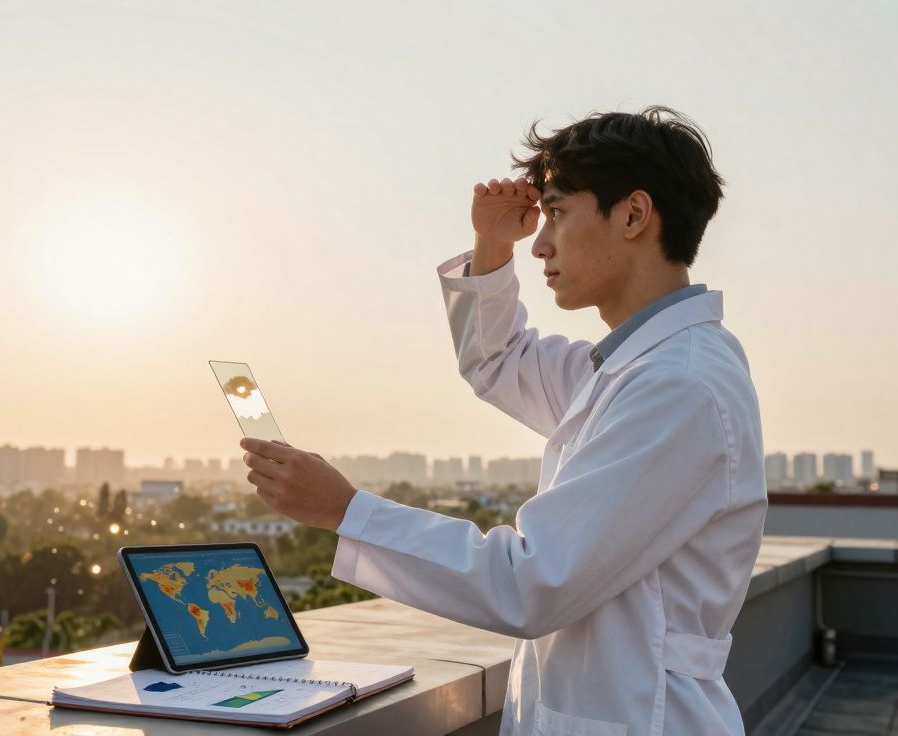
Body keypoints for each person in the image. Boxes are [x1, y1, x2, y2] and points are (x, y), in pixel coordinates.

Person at [240, 106, 766, 736]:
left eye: (559, 213)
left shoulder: (675, 385)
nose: (541, 243)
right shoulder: (631, 369)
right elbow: (498, 360)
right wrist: (493, 244)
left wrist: (347, 511)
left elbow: (532, 582)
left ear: (632, 215)